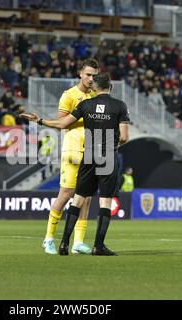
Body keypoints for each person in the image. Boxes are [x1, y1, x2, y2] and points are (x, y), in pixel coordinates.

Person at [22, 72, 130, 255]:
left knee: (78, 198)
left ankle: (64, 243)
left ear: (94, 88)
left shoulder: (85, 104)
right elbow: (125, 137)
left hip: (88, 155)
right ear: (110, 87)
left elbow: (63, 124)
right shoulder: (119, 106)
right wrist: (112, 142)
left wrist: (40, 121)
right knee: (104, 201)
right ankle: (98, 246)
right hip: (107, 156)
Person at [41, 58, 99, 255]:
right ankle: (49, 238)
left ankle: (78, 242)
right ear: (80, 74)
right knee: (65, 194)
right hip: (72, 150)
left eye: (94, 76)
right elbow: (61, 122)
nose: (91, 79)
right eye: (88, 75)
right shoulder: (69, 95)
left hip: (91, 150)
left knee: (86, 197)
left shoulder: (95, 96)